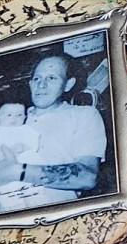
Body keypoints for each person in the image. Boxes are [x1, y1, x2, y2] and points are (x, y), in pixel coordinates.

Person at [8, 51, 108, 194]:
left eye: (51, 78)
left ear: (68, 84)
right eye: (37, 79)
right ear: (30, 84)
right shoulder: (12, 118)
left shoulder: (83, 115)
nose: (41, 85)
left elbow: (88, 177)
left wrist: (20, 172)